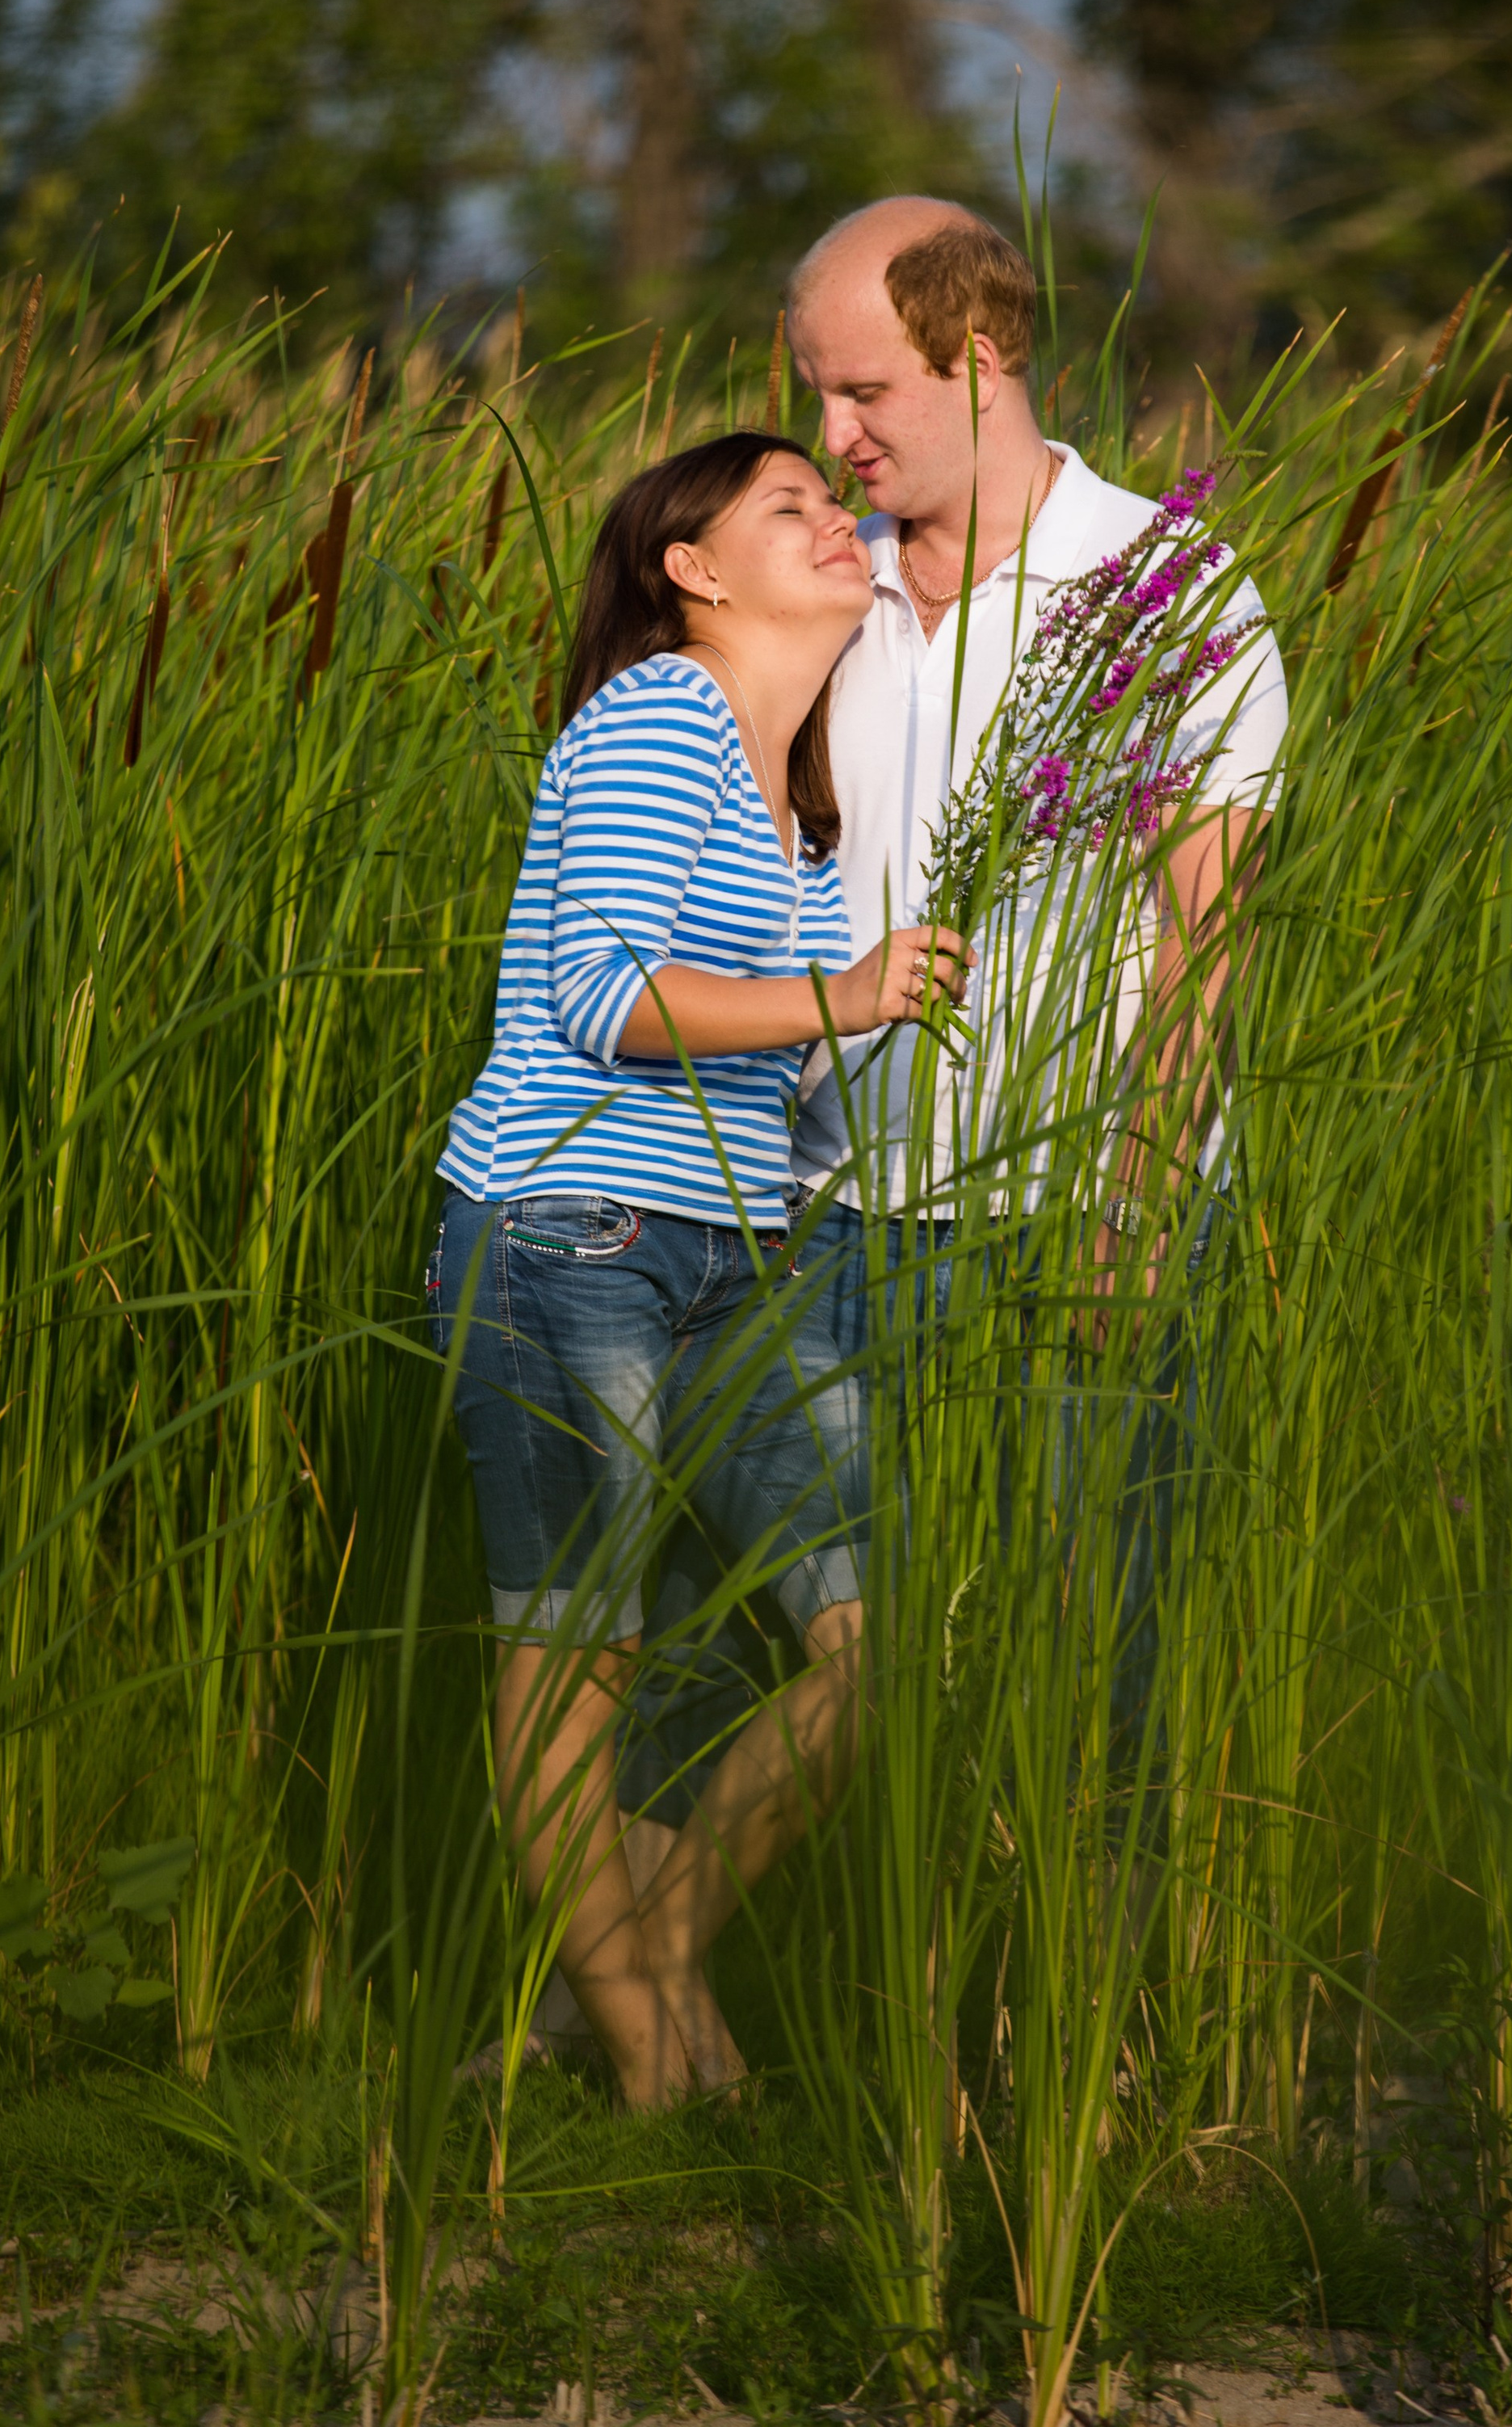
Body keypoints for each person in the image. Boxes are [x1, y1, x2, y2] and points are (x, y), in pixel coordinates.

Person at [428, 429, 969, 2105]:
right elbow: (604, 1000)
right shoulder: (661, 717)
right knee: (576, 1651)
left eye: (838, 501)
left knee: (875, 1643)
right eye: (789, 508)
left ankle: (637, 1972)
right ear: (694, 571)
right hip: (561, 1231)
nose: (838, 524)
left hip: (737, 1256)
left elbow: (752, 1060)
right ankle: (671, 2066)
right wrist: (851, 996)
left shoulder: (785, 780)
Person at [784, 197, 1289, 1373]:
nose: (832, 433)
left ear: (975, 360)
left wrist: (1139, 1206)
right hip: (812, 1220)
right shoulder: (816, 587)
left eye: (861, 392)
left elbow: (1207, 928)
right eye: (816, 393)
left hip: (1065, 1215)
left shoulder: (1167, 589)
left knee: (1072, 1563)